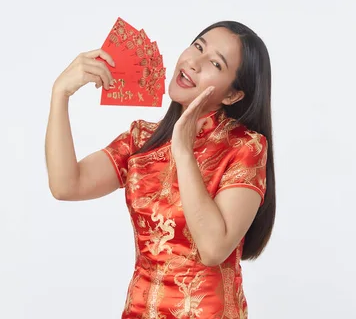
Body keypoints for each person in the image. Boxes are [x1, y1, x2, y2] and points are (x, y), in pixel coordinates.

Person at [45, 20, 276, 318]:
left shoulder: (245, 147)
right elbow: (67, 185)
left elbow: (213, 248)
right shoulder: (142, 139)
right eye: (198, 46)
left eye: (215, 63)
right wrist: (59, 95)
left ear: (233, 95)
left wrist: (183, 149)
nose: (194, 62)